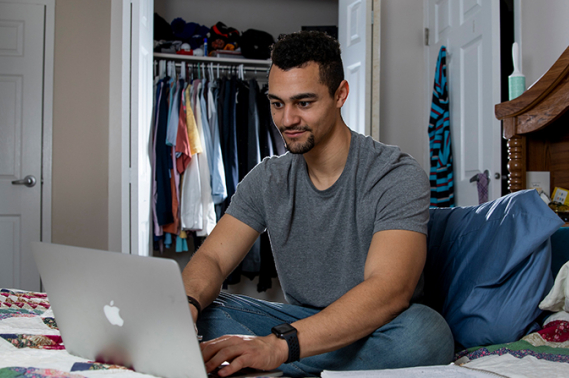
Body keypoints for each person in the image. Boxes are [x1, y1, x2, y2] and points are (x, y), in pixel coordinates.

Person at [182, 31, 454, 378]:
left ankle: (273, 363)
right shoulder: (268, 179)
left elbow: (390, 289)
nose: (286, 120)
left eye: (304, 103)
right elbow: (213, 257)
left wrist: (278, 347)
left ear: (340, 94)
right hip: (299, 324)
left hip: (379, 326)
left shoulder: (394, 174)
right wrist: (187, 305)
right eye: (277, 103)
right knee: (205, 312)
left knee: (425, 335)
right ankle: (307, 365)